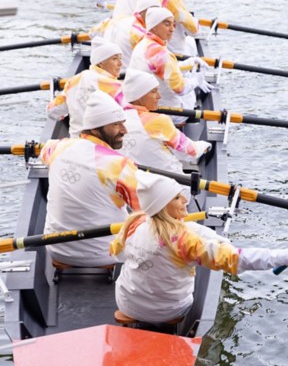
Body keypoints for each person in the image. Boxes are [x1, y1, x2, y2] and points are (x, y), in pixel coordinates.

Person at [111, 172, 288, 325]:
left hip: (127, 303)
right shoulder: (184, 241)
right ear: (162, 206)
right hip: (168, 311)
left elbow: (117, 255)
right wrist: (283, 257)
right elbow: (236, 260)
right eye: (178, 198)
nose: (186, 200)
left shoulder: (133, 224)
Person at [41, 91, 140, 267]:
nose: (124, 130)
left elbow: (44, 151)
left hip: (56, 249)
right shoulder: (120, 165)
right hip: (106, 254)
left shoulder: (57, 147)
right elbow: (146, 209)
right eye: (116, 124)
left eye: (123, 123)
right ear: (95, 128)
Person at [129, 6, 209, 125]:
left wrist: (187, 64)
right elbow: (180, 89)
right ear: (154, 27)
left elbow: (160, 70)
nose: (172, 29)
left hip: (144, 106)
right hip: (166, 112)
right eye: (167, 24)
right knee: (190, 87)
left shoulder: (143, 44)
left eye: (173, 25)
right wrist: (197, 80)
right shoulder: (160, 53)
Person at [120, 69, 211, 173]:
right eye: (154, 92)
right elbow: (190, 152)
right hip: (167, 183)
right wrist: (205, 145)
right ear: (139, 96)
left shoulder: (115, 121)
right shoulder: (158, 121)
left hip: (132, 182)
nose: (159, 96)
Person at [47, 37, 125, 137]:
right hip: (103, 144)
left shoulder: (73, 81)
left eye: (120, 58)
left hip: (76, 141)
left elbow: (52, 111)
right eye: (115, 59)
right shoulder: (115, 86)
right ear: (101, 62)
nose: (120, 64)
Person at [104, 0, 160, 70]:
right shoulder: (141, 34)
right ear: (143, 11)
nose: (157, 15)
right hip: (125, 76)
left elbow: (93, 32)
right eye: (154, 11)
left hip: (107, 71)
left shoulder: (116, 20)